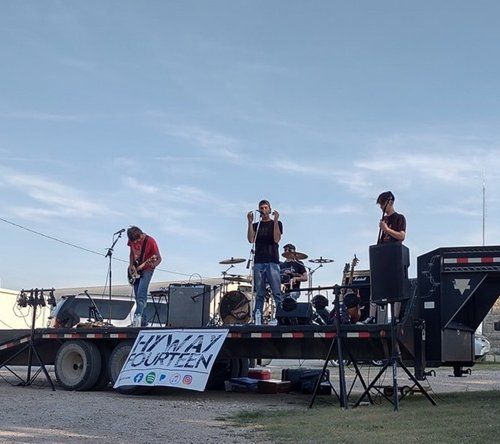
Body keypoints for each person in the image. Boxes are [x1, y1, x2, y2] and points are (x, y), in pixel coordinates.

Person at [363, 191, 406, 324]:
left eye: (382, 204)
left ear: (390, 202)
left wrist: (386, 229)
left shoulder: (399, 218)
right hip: (383, 256)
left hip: (395, 256)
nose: (381, 207)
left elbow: (401, 236)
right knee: (376, 285)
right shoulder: (384, 220)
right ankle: (371, 316)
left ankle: (395, 317)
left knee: (396, 288)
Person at [247, 200, 283, 323]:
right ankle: (258, 318)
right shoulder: (256, 225)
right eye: (261, 208)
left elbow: (276, 239)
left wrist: (276, 220)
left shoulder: (276, 223)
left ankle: (281, 317)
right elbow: (251, 240)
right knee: (260, 293)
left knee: (276, 291)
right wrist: (250, 222)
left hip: (272, 261)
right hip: (259, 261)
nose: (264, 210)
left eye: (266, 208)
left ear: (270, 209)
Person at [127, 226, 162, 327]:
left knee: (141, 294)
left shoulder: (150, 241)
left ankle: (136, 320)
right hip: (136, 268)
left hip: (147, 269)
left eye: (137, 240)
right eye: (133, 241)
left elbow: (159, 258)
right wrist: (131, 265)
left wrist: (153, 265)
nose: (135, 243)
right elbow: (131, 253)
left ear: (140, 235)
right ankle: (143, 321)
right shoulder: (132, 239)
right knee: (137, 295)